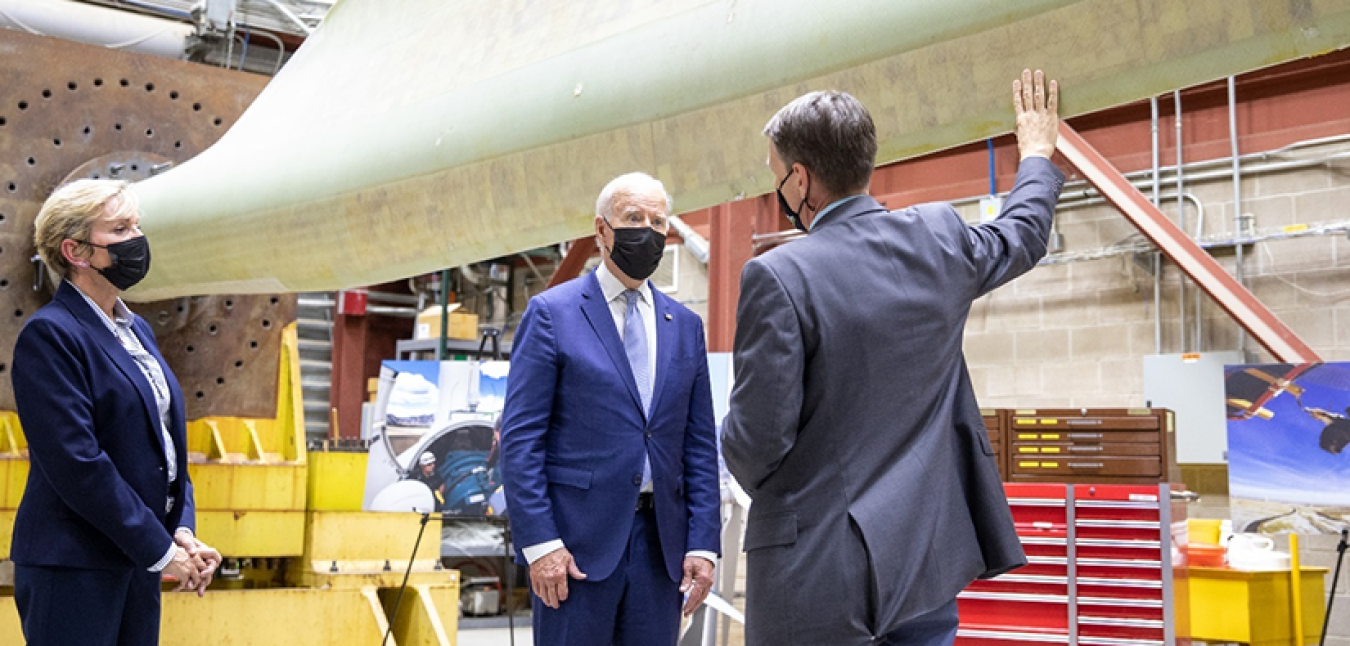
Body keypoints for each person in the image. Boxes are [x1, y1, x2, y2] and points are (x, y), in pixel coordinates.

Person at [721, 70, 1064, 645]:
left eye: (777, 176)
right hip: (925, 567)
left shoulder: (778, 276)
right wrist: (1035, 154)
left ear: (800, 180)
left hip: (816, 581)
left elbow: (758, 443)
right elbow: (1023, 234)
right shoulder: (938, 240)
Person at [500, 172, 721, 646]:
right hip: (573, 553)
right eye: (634, 218)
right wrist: (541, 545)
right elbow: (520, 443)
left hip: (661, 551)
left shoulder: (685, 326)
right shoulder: (552, 314)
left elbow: (699, 445)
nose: (648, 231)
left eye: (658, 222)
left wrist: (703, 542)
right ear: (601, 231)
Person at [10, 179, 221, 644]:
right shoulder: (52, 337)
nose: (137, 239)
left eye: (136, 225)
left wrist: (180, 530)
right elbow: (77, 463)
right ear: (76, 251)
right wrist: (160, 549)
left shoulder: (136, 330)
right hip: (74, 567)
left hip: (135, 559)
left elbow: (162, 443)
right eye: (121, 228)